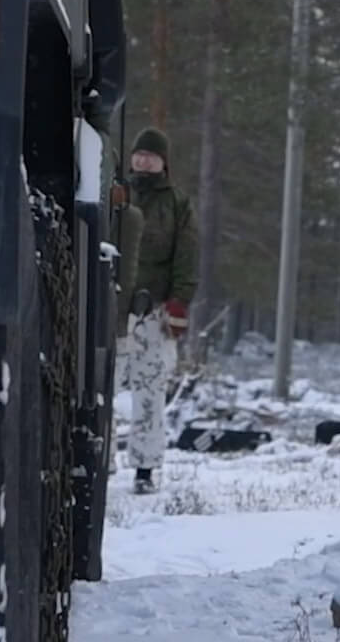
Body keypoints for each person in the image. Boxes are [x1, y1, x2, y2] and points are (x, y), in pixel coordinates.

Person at [113, 127, 198, 494]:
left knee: (150, 391)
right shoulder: (117, 194)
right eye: (139, 153)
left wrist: (179, 301)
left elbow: (187, 254)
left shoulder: (177, 203)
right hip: (114, 308)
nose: (143, 159)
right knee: (103, 386)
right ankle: (95, 462)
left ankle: (145, 470)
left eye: (151, 155)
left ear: (163, 162)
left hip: (156, 311)